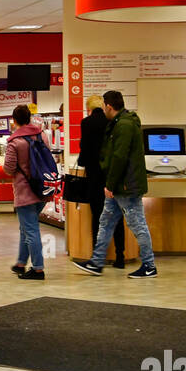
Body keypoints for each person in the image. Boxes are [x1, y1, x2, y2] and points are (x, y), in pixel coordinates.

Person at [72, 90, 157, 278]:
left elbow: (119, 157)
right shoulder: (119, 123)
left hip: (126, 186)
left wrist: (109, 185)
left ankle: (149, 265)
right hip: (118, 185)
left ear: (109, 107)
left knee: (137, 224)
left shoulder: (124, 125)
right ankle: (97, 261)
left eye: (104, 107)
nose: (103, 110)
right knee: (106, 222)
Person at [77, 94, 124, 267]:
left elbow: (85, 148)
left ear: (89, 108)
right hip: (111, 177)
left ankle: (98, 257)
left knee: (97, 216)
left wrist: (83, 162)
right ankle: (120, 256)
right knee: (117, 217)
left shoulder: (86, 123)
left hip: (94, 176)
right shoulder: (112, 123)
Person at [2, 104, 46, 280]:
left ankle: (38, 269)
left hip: (24, 191)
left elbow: (8, 168)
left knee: (31, 229)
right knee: (26, 228)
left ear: (14, 121)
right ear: (30, 118)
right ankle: (21, 263)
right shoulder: (41, 135)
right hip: (41, 190)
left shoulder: (14, 142)